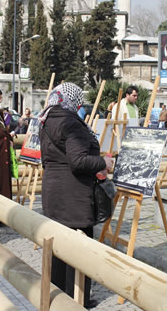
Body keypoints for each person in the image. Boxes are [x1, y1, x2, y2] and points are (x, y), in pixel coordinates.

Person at [39, 82, 113, 308]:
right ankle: (76, 300)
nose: (81, 106)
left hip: (53, 192)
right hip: (74, 196)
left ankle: (58, 297)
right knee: (79, 249)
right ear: (72, 101)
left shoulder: (46, 119)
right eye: (79, 102)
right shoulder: (71, 122)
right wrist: (104, 162)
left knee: (59, 248)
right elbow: (78, 160)